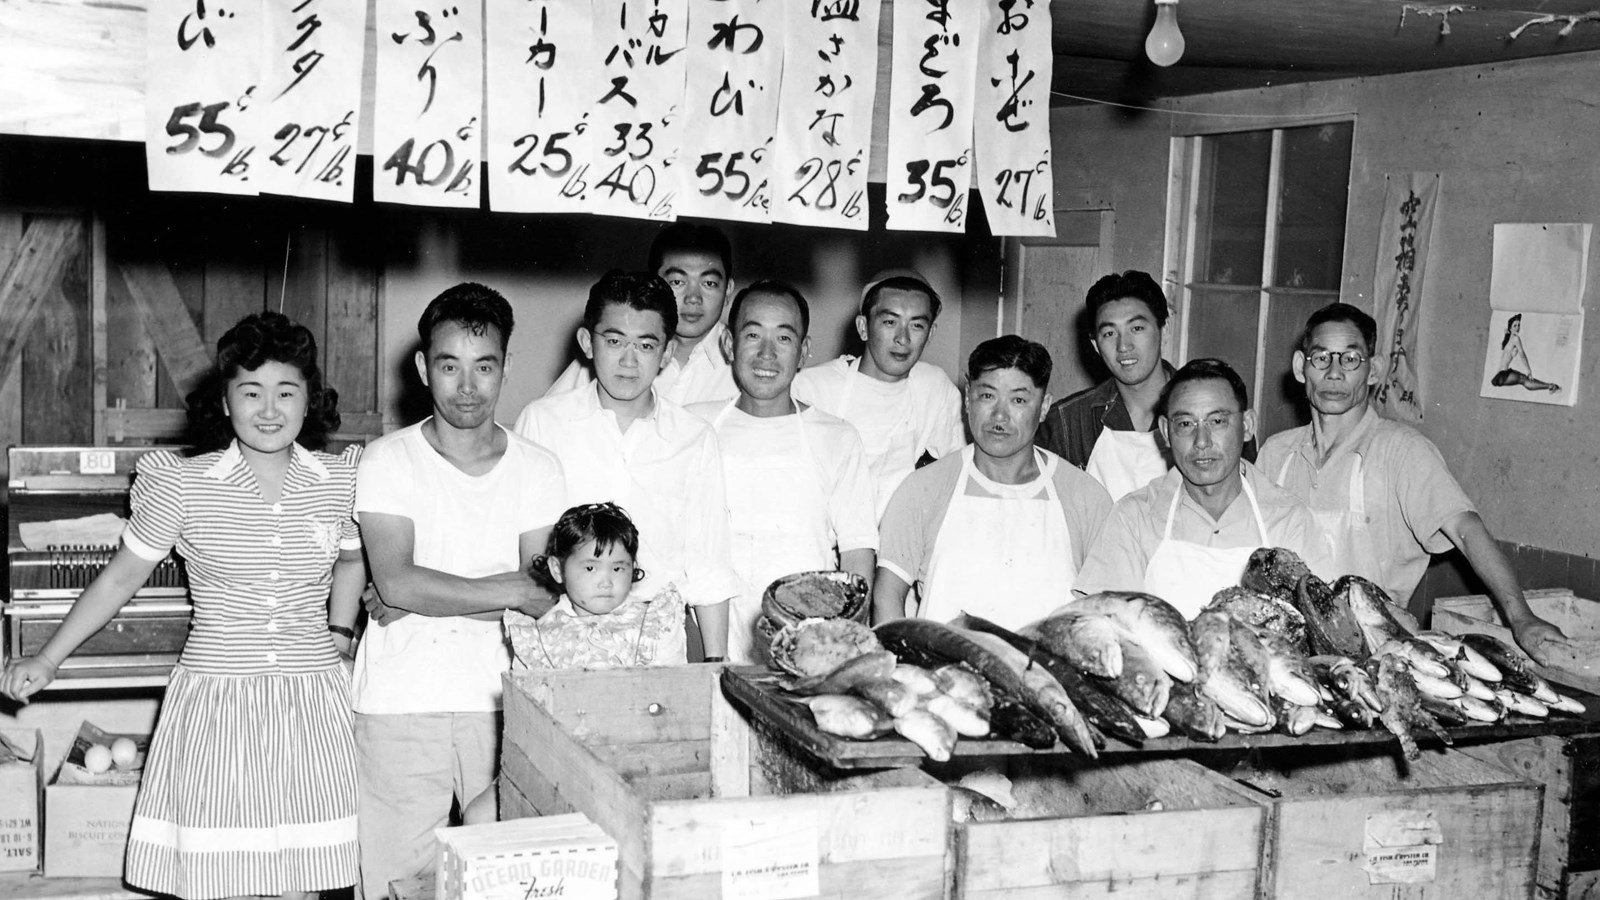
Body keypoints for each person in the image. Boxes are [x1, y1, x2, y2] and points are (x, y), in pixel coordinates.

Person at [1, 312, 362, 899]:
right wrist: (48, 659)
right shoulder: (183, 484)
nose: (268, 409)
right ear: (224, 403)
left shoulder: (339, 482)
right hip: (218, 702)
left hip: (311, 701)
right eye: (251, 392)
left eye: (285, 391)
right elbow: (119, 581)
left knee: (307, 876)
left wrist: (340, 635)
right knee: (222, 875)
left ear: (308, 400)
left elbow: (350, 560)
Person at [353, 284, 567, 894]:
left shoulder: (538, 466)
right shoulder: (387, 460)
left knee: (509, 882)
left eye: (484, 366)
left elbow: (544, 595)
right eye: (449, 366)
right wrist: (508, 591)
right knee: (396, 886)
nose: (467, 386)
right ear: (423, 368)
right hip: (398, 703)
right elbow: (396, 581)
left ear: (505, 367)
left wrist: (421, 596)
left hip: (505, 703)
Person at [1259, 303, 1572, 662]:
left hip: (1373, 657)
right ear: (1301, 367)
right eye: (1321, 358)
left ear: (1373, 370)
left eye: (1350, 359)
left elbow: (1466, 530)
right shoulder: (1275, 454)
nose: (1333, 373)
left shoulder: (1402, 451)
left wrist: (1522, 618)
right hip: (1285, 650)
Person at [515, 271, 738, 661]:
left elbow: (709, 568)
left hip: (661, 643)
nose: (629, 361)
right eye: (615, 341)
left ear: (667, 352)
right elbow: (526, 557)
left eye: (646, 345)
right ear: (588, 342)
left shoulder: (694, 437)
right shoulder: (543, 422)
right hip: (562, 639)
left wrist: (716, 667)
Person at [686, 281, 878, 663]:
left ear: (804, 352)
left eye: (784, 338)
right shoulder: (693, 426)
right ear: (729, 344)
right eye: (753, 334)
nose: (766, 353)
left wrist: (840, 644)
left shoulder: (836, 437)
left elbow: (858, 553)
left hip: (809, 645)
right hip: (708, 640)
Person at [873, 335, 1113, 629]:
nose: (1000, 415)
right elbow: (886, 596)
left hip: (1048, 671)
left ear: (1044, 406)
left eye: (1019, 400)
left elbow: (1107, 610)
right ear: (967, 397)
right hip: (943, 668)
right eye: (987, 396)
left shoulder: (1085, 496)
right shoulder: (923, 489)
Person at [1075, 358, 1333, 619]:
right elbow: (1104, 625)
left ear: (1246, 426)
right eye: (1186, 424)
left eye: (1217, 421)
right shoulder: (1135, 518)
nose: (1201, 441)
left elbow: (1322, 632)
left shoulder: (1291, 520)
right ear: (1165, 431)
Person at [793, 269, 964, 519]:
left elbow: (955, 471)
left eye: (916, 325)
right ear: (863, 327)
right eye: (889, 322)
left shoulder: (934, 386)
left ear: (931, 334)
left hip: (899, 542)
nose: (902, 339)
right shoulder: (813, 387)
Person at [544, 223, 739, 404]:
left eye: (709, 283)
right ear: (655, 284)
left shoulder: (744, 362)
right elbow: (548, 420)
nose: (693, 298)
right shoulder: (608, 351)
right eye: (678, 282)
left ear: (728, 290)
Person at [1036, 270, 1176, 501]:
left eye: (1137, 328)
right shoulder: (1067, 422)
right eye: (1109, 333)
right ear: (1095, 344)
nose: (1123, 346)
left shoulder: (1209, 410)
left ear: (1164, 330)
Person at [506, 502, 688, 670]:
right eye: (590, 568)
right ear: (557, 569)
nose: (606, 582)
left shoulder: (654, 625)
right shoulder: (538, 640)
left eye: (617, 568)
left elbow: (674, 689)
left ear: (632, 568)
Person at [1490, 314, 1561, 393]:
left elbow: (1507, 354)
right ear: (1510, 328)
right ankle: (1551, 386)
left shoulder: (1508, 340)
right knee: (1523, 379)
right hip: (1502, 375)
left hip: (1500, 374)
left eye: (1518, 325)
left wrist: (1506, 334)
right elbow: (1522, 355)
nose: (1517, 328)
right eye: (1515, 326)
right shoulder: (1515, 339)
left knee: (1522, 378)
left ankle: (1550, 386)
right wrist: (1529, 370)